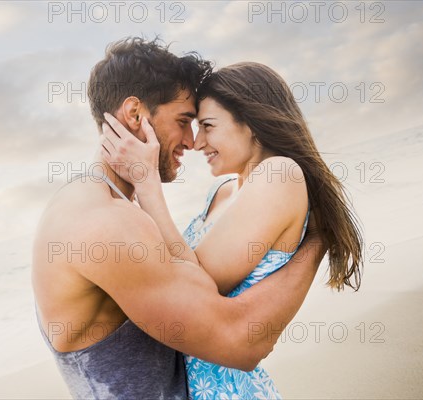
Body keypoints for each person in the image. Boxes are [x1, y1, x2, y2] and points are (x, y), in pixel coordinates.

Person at [32, 37, 327, 400]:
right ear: (135, 114)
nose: (191, 141)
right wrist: (316, 242)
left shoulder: (100, 206)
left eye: (202, 124)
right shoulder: (103, 223)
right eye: (184, 121)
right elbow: (239, 341)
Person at [100, 61, 363, 399]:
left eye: (208, 126)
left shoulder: (279, 176)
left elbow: (198, 284)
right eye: (194, 126)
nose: (197, 143)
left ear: (252, 123)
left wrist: (148, 185)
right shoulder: (223, 191)